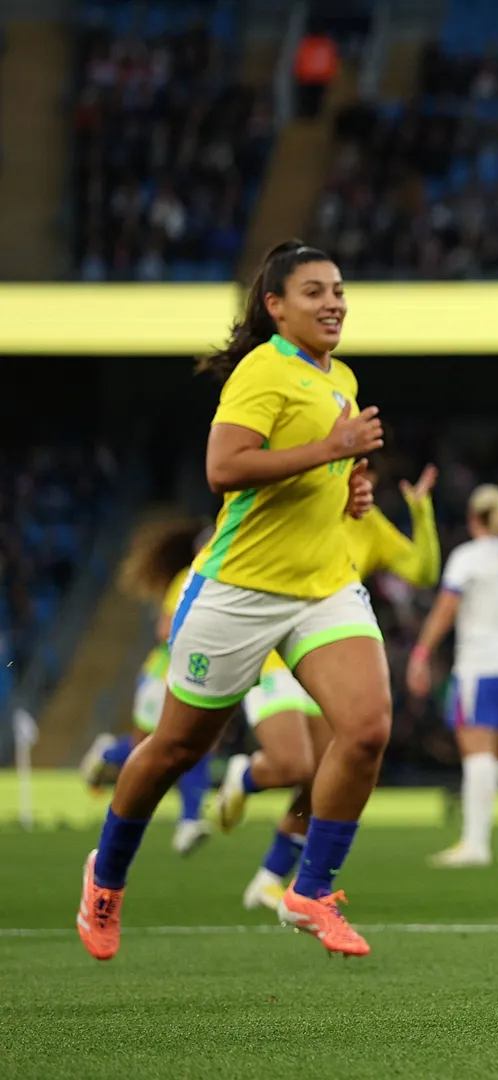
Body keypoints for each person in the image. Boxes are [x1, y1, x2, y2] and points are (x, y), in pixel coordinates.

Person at [76, 240, 391, 962]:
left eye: (338, 289)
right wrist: (330, 448)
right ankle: (108, 875)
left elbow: (323, 474)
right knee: (177, 749)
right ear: (276, 306)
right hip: (240, 590)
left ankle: (309, 890)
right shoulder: (262, 370)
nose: (334, 301)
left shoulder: (339, 374)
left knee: (367, 730)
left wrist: (351, 488)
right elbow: (225, 468)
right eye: (314, 291)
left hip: (324, 586)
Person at [216, 463, 441, 911]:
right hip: (275, 652)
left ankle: (268, 877)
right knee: (293, 764)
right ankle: (245, 774)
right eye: (356, 472)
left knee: (324, 777)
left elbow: (422, 570)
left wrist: (421, 511)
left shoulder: (369, 524)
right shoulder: (304, 507)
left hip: (325, 660)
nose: (364, 483)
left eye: (370, 476)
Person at [405, 483, 498, 868]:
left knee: (477, 753)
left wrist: (422, 653)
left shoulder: (469, 558)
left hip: (481, 663)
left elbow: (446, 608)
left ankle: (475, 844)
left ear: (474, 518)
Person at [79, 519, 217, 856]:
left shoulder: (224, 584)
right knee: (154, 748)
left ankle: (189, 821)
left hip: (197, 678)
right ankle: (109, 754)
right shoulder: (189, 580)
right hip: (163, 676)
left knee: (193, 747)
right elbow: (164, 629)